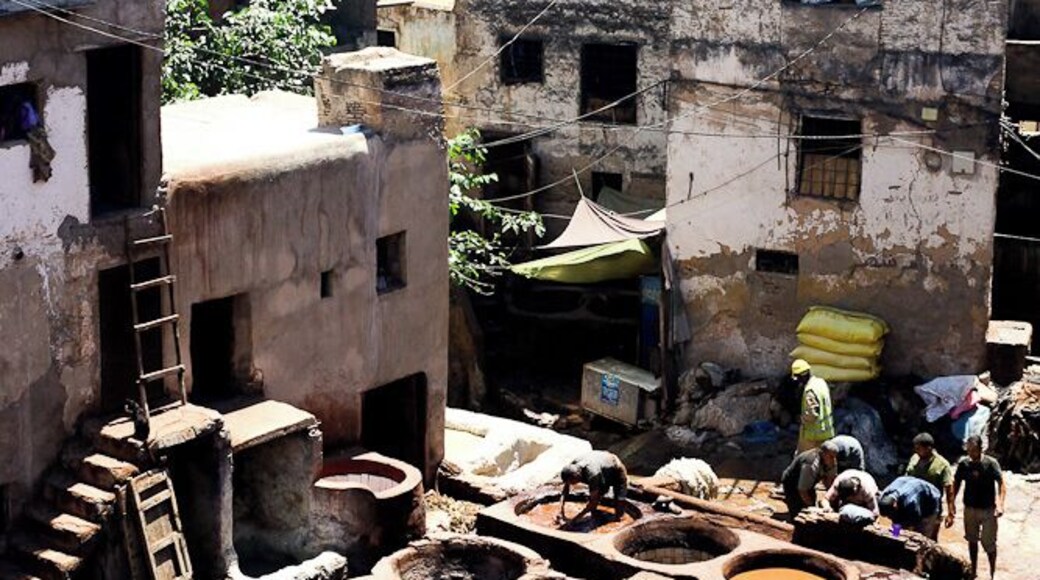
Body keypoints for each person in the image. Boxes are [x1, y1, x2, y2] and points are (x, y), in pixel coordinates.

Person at [953, 435, 1006, 579]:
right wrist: (951, 504)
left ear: (981, 449)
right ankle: (973, 570)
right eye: (968, 451)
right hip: (970, 508)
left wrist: (1000, 504)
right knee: (972, 540)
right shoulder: (964, 464)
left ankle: (992, 573)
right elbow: (956, 482)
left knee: (989, 543)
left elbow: (1001, 483)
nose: (971, 454)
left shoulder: (991, 463)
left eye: (974, 451)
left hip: (988, 509)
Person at [905, 432, 955, 540]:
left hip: (932, 508)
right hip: (912, 505)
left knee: (929, 539)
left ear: (929, 448)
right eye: (915, 448)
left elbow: (949, 488)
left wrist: (951, 513)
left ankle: (931, 555)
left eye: (919, 448)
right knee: (903, 532)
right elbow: (906, 479)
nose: (916, 451)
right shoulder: (914, 459)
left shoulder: (942, 464)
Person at [558, 451, 628, 524]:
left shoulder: (592, 474)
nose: (571, 484)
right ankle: (593, 514)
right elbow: (565, 490)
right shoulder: (573, 466)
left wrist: (574, 520)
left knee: (619, 499)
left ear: (577, 476)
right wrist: (560, 510)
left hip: (615, 468)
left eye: (572, 482)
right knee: (597, 494)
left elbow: (594, 501)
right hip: (601, 466)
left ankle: (619, 518)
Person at [781, 441, 838, 516]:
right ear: (823, 453)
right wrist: (811, 507)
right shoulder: (811, 463)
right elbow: (802, 490)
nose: (833, 460)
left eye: (834, 456)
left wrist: (829, 498)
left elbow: (829, 481)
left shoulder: (830, 461)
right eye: (830, 456)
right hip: (792, 483)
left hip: (809, 482)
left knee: (811, 502)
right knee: (798, 511)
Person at [792, 359, 834, 453]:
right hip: (826, 433)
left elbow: (812, 415)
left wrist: (802, 419)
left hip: (813, 437)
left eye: (798, 378)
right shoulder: (821, 383)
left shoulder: (809, 391)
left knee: (804, 461)